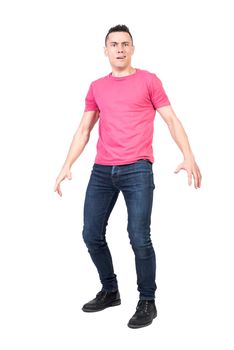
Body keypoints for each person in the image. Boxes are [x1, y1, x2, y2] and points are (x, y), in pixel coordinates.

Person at [54, 24, 202, 329]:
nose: (119, 49)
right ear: (105, 50)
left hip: (137, 168)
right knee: (90, 234)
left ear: (132, 48)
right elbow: (84, 129)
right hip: (102, 171)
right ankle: (110, 291)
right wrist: (66, 164)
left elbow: (171, 120)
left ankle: (147, 300)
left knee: (139, 238)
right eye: (114, 44)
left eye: (125, 44)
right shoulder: (97, 86)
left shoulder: (149, 80)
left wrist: (188, 155)